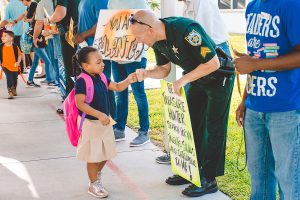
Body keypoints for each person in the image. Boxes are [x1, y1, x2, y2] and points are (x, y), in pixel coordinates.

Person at [130, 10, 235, 197]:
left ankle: (209, 179)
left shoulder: (186, 30)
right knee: (191, 125)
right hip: (196, 78)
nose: (137, 41)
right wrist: (146, 73)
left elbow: (213, 63)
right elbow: (163, 69)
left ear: (150, 30)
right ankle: (192, 173)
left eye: (138, 37)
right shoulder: (157, 41)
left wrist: (183, 80)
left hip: (219, 78)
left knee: (214, 128)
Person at [234, 0, 300, 199]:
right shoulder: (252, 6)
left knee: (289, 181)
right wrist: (245, 100)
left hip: (286, 108)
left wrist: (254, 63)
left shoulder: (291, 5)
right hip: (255, 107)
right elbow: (257, 56)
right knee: (259, 179)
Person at [156, 0, 233, 164]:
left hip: (214, 58)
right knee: (191, 118)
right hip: (200, 61)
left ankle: (208, 174)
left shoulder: (201, 3)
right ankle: (192, 166)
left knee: (213, 122)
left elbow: (204, 42)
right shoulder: (188, 4)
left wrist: (187, 76)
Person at [73, 47, 137, 198]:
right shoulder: (82, 81)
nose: (103, 64)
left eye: (102, 61)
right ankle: (93, 184)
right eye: (99, 62)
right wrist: (99, 114)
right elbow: (80, 104)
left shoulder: (101, 76)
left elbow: (117, 87)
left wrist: (128, 79)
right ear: (86, 66)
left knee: (105, 153)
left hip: (104, 122)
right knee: (93, 157)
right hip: (91, 124)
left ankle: (96, 174)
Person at [107, 0, 150, 146]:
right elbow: (109, 24)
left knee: (138, 93)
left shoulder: (140, 2)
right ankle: (119, 129)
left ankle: (144, 132)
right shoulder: (112, 2)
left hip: (135, 56)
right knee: (120, 92)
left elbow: (146, 26)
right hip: (116, 55)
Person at [76, 0, 116, 120]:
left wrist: (83, 35)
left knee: (105, 87)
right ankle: (95, 117)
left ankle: (111, 119)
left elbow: (104, 22)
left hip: (99, 52)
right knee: (88, 88)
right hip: (85, 51)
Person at [0, 0, 27, 71]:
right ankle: (24, 67)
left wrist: (0, 26)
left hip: (15, 32)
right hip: (26, 30)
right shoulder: (25, 2)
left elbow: (5, 20)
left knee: (16, 50)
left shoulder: (9, 5)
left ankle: (19, 68)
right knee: (24, 50)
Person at [0, 30, 22, 99]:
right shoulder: (1, 46)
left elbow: (19, 55)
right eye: (2, 36)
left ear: (11, 38)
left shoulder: (15, 47)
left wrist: (18, 62)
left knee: (15, 78)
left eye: (5, 36)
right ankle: (10, 91)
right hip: (5, 66)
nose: (2, 37)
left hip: (14, 66)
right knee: (9, 77)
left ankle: (14, 88)